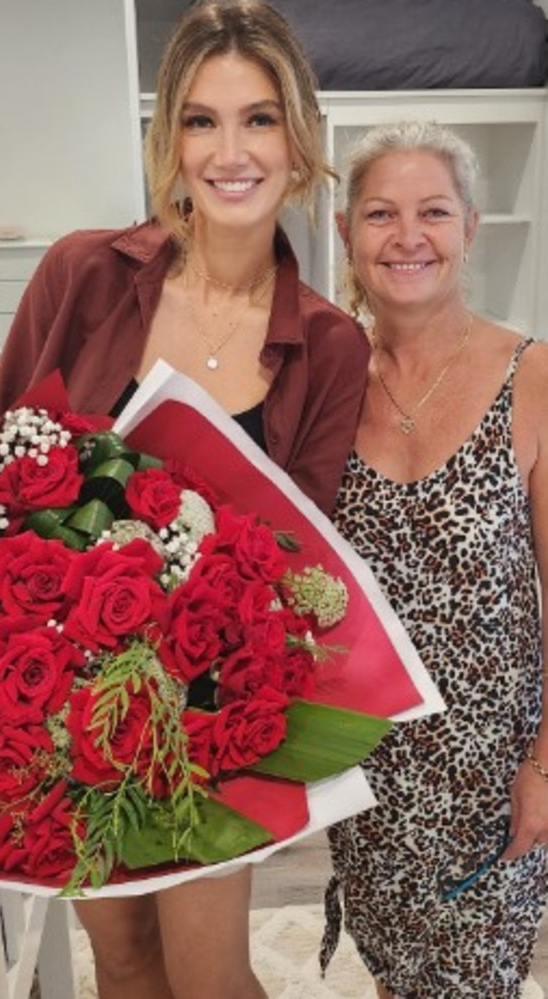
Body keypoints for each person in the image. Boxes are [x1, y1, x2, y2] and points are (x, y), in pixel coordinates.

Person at [0, 2, 368, 996]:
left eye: (259, 118)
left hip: (210, 713)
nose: (229, 151)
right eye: (200, 120)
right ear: (168, 140)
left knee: (208, 973)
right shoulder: (82, 275)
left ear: (298, 138)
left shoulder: (324, 344)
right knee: (125, 957)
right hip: (61, 708)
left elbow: (300, 556)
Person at [320, 119, 548, 998]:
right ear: (345, 233)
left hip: (495, 763)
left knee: (477, 977)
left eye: (433, 212)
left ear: (470, 228)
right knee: (395, 967)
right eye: (380, 213)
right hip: (367, 756)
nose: (407, 236)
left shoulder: (530, 376)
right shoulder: (327, 378)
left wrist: (543, 766)